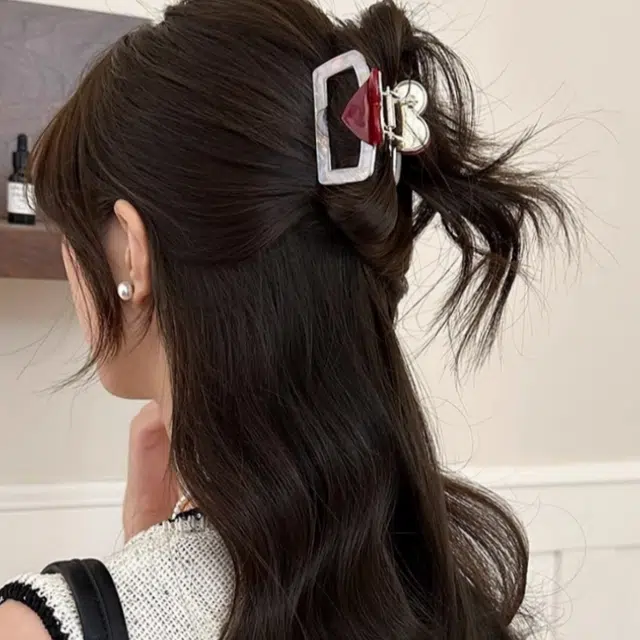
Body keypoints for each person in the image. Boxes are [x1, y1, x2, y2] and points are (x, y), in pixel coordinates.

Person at [0, 0, 573, 638]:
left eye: (73, 236)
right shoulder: (444, 590)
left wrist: (142, 576)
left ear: (132, 251)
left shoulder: (40, 627)